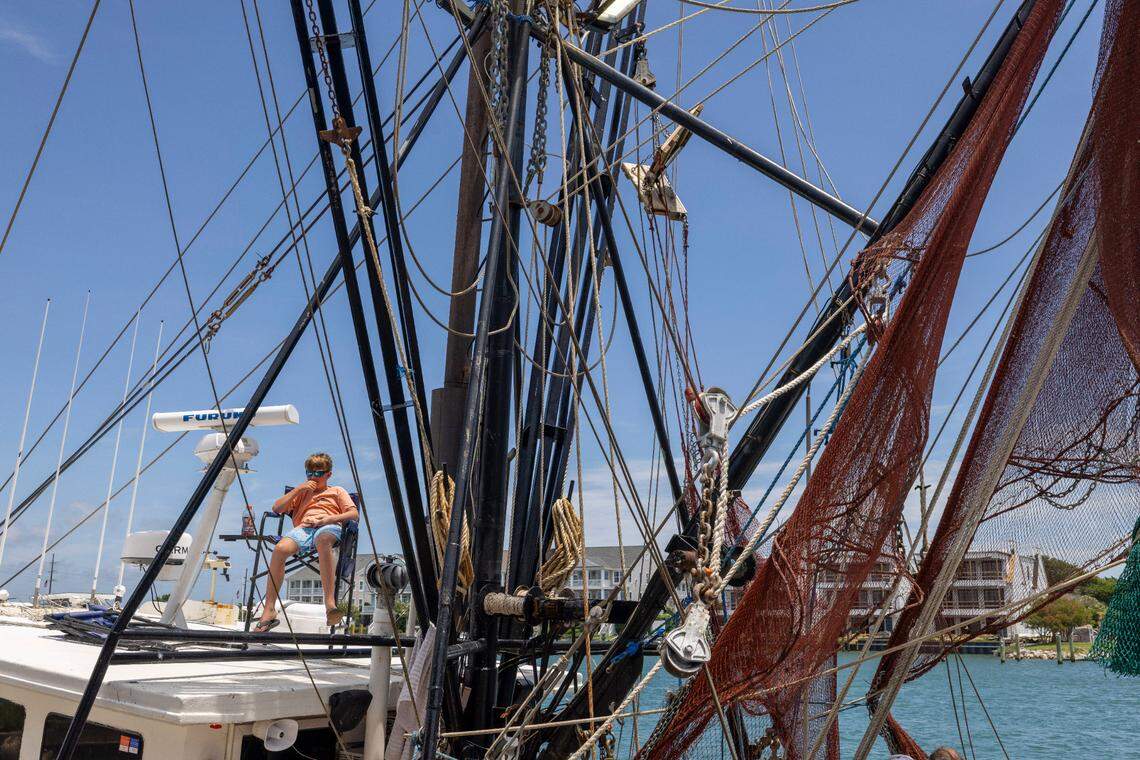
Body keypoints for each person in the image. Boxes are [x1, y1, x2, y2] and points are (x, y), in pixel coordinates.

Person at [254, 452, 358, 631]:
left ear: (328, 474)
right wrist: (299, 489)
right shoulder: (302, 493)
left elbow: (354, 514)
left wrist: (327, 520)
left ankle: (330, 604)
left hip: (328, 526)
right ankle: (269, 610)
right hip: (303, 528)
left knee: (323, 538)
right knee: (280, 549)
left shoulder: (337, 491)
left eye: (318, 473)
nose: (313, 477)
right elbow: (277, 508)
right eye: (309, 473)